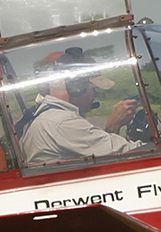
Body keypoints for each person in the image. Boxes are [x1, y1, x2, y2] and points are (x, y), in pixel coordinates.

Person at [19, 47, 149, 163]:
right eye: (94, 89)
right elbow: (132, 152)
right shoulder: (62, 122)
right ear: (77, 87)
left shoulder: (48, 116)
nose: (96, 95)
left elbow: (101, 156)